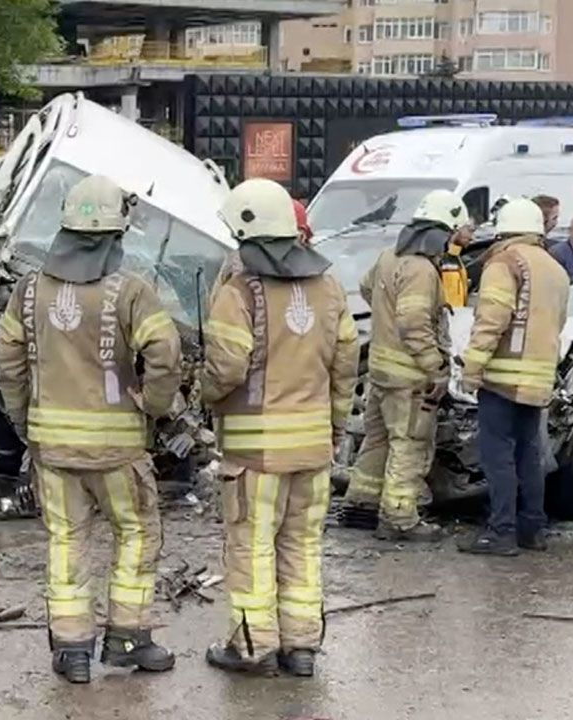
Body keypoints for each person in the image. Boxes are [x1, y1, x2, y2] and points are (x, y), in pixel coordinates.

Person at [0, 175, 182, 683]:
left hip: (52, 449)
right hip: (118, 449)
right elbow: (165, 354)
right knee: (137, 534)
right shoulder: (131, 289)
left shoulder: (29, 290)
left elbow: (7, 363)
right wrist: (154, 407)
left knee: (65, 542)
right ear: (115, 234)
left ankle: (73, 651)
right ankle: (127, 640)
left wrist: (23, 419)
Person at [202, 178, 359, 677]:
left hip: (255, 454)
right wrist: (334, 427)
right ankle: (302, 646)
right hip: (313, 448)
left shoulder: (238, 293)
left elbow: (226, 368)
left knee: (251, 546)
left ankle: (251, 646)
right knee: (303, 546)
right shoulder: (329, 288)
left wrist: (201, 394)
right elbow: (346, 365)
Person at [340, 190, 465, 541]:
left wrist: (387, 317)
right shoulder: (422, 270)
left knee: (377, 442)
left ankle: (360, 506)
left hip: (380, 371)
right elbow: (414, 323)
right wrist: (436, 369)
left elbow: (367, 290)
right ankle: (399, 518)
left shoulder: (387, 258)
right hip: (411, 380)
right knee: (409, 445)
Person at [457, 198, 569, 556]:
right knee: (529, 453)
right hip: (538, 379)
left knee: (497, 456)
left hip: (502, 378)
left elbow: (492, 319)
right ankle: (532, 529)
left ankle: (500, 531)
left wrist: (472, 368)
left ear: (503, 229)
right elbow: (559, 323)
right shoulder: (554, 267)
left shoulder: (505, 262)